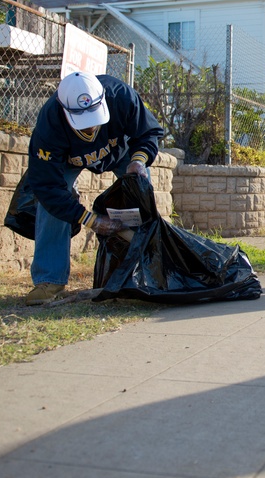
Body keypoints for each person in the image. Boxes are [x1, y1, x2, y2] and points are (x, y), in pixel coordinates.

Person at [23, 71, 164, 305]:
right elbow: (47, 186)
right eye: (83, 123)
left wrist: (138, 161)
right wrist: (91, 220)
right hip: (69, 161)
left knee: (140, 196)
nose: (90, 128)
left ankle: (151, 271)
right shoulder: (49, 125)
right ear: (64, 110)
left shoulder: (121, 97)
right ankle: (50, 280)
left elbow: (148, 132)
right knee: (50, 207)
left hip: (123, 154)